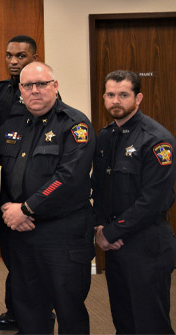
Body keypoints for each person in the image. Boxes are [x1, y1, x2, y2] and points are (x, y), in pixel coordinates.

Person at [0, 62, 95, 334]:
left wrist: (27, 208)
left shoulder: (74, 124)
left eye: (42, 84)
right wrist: (8, 207)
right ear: (20, 90)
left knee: (69, 307)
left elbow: (68, 176)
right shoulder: (11, 125)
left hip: (61, 233)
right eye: (28, 85)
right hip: (20, 233)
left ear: (55, 86)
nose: (34, 91)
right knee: (28, 307)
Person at [92, 70, 176, 334]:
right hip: (115, 244)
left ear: (138, 98)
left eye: (124, 95)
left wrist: (111, 232)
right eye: (111, 95)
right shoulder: (105, 136)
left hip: (147, 243)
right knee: (124, 319)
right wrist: (99, 228)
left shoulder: (157, 139)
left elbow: (153, 200)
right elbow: (99, 188)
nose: (116, 100)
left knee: (150, 323)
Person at [0, 35, 38, 331]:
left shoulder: (41, 91)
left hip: (29, 194)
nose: (14, 61)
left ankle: (38, 311)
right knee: (12, 258)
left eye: (21, 56)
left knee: (31, 262)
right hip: (4, 187)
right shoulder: (0, 90)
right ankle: (15, 311)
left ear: (34, 57)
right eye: (9, 56)